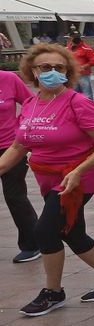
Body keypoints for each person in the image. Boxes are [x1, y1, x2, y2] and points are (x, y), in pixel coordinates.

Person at [0, 45, 94, 314]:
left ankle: (53, 292)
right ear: (33, 71)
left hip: (80, 175)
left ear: (68, 72)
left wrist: (79, 170)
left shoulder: (77, 102)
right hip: (47, 176)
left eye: (59, 67)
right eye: (45, 67)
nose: (52, 72)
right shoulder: (32, 105)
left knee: (45, 231)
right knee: (72, 232)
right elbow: (18, 146)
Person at [1, 62, 39, 264]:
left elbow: (31, 104)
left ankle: (32, 244)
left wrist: (21, 128)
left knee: (14, 195)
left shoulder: (8, 79)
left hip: (10, 147)